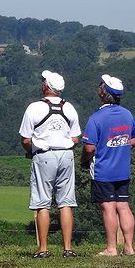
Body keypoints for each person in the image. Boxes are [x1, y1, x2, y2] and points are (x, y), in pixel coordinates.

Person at [19, 70, 81, 258]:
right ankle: (67, 248)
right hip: (67, 156)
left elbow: (25, 139)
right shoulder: (69, 108)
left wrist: (31, 151)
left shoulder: (34, 108)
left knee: (42, 203)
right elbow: (76, 138)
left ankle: (43, 248)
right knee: (66, 203)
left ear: (46, 87)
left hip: (44, 155)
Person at [80, 74, 135, 256]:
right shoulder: (127, 114)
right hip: (123, 168)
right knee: (123, 205)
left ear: (103, 93)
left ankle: (111, 248)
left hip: (103, 170)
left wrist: (83, 161)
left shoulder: (96, 118)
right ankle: (129, 247)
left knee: (108, 206)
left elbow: (89, 148)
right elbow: (133, 141)